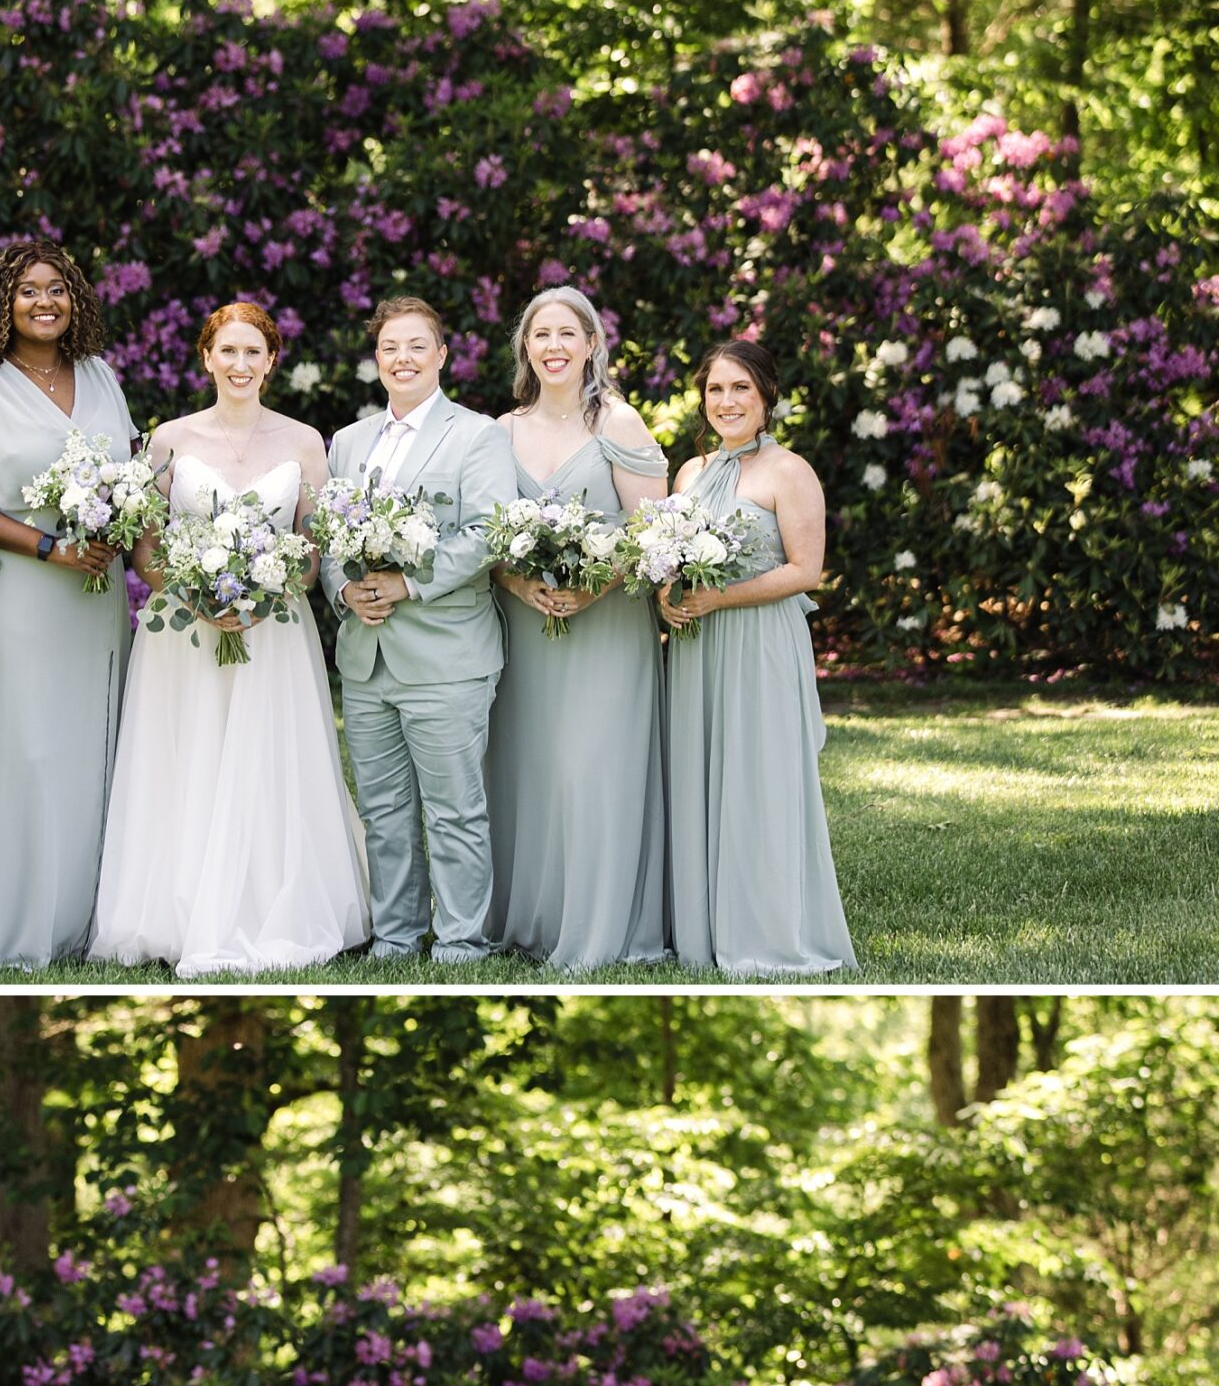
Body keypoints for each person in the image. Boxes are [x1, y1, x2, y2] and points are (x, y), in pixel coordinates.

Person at [92, 300, 369, 973]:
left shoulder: (305, 441)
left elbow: (312, 549)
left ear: (271, 361)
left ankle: (272, 902)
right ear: (206, 358)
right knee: (185, 756)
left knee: (267, 756)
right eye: (229, 352)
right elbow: (145, 546)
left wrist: (266, 590)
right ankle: (173, 912)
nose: (240, 365)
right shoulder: (168, 439)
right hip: (181, 632)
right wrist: (190, 592)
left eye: (254, 352)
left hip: (271, 627)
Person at [0, 241, 135, 965]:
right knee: (22, 754)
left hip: (92, 596)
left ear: (75, 298)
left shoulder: (101, 376)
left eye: (57, 289)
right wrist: (47, 548)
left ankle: (79, 925)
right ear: (1, 302)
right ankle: (9, 928)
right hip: (8, 594)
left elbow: (127, 479)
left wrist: (114, 533)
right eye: (26, 290)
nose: (44, 302)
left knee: (87, 755)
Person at [320, 295, 516, 964]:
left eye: (415, 346)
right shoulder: (347, 442)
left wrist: (408, 582)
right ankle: (397, 938)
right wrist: (344, 589)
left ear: (441, 355)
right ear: (376, 360)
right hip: (366, 656)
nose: (401, 358)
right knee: (383, 814)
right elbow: (324, 541)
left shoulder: (477, 434)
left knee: (453, 810)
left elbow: (487, 532)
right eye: (388, 348)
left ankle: (461, 942)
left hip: (446, 656)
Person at [486, 288, 670, 968]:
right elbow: (483, 537)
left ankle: (601, 927)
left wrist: (593, 588)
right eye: (542, 335)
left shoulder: (617, 423)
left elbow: (653, 534)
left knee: (592, 769)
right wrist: (515, 581)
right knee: (530, 767)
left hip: (606, 626)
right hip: (523, 625)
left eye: (569, 333)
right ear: (526, 348)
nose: (555, 346)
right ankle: (530, 920)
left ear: (591, 344)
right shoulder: (498, 431)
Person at [661, 339, 854, 975]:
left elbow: (807, 570)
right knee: (700, 776)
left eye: (741, 388)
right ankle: (703, 931)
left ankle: (769, 936)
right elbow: (670, 557)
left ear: (766, 397)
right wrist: (669, 595)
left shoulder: (790, 471)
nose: (727, 401)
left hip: (760, 643)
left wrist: (722, 597)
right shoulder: (689, 475)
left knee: (759, 781)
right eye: (716, 389)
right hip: (696, 648)